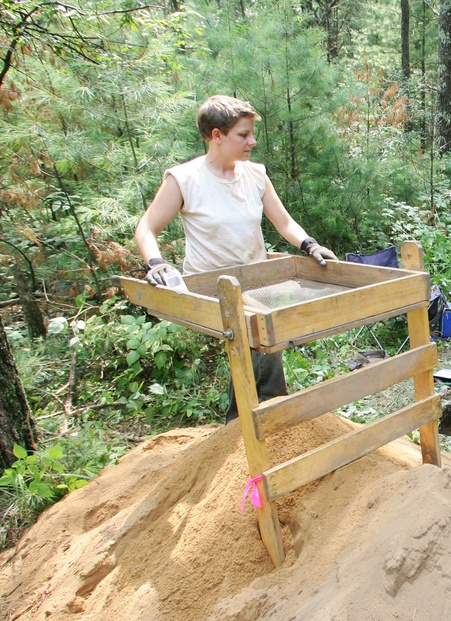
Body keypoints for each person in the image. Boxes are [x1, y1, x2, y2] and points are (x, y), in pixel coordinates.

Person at [134, 95, 337, 423]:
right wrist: (155, 262)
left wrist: (310, 245)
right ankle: (251, 426)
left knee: (260, 347)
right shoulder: (185, 179)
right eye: (243, 135)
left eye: (252, 133)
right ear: (216, 136)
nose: (252, 141)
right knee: (257, 341)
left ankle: (257, 422)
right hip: (212, 286)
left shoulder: (255, 175)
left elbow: (283, 221)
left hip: (257, 281)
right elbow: (146, 227)